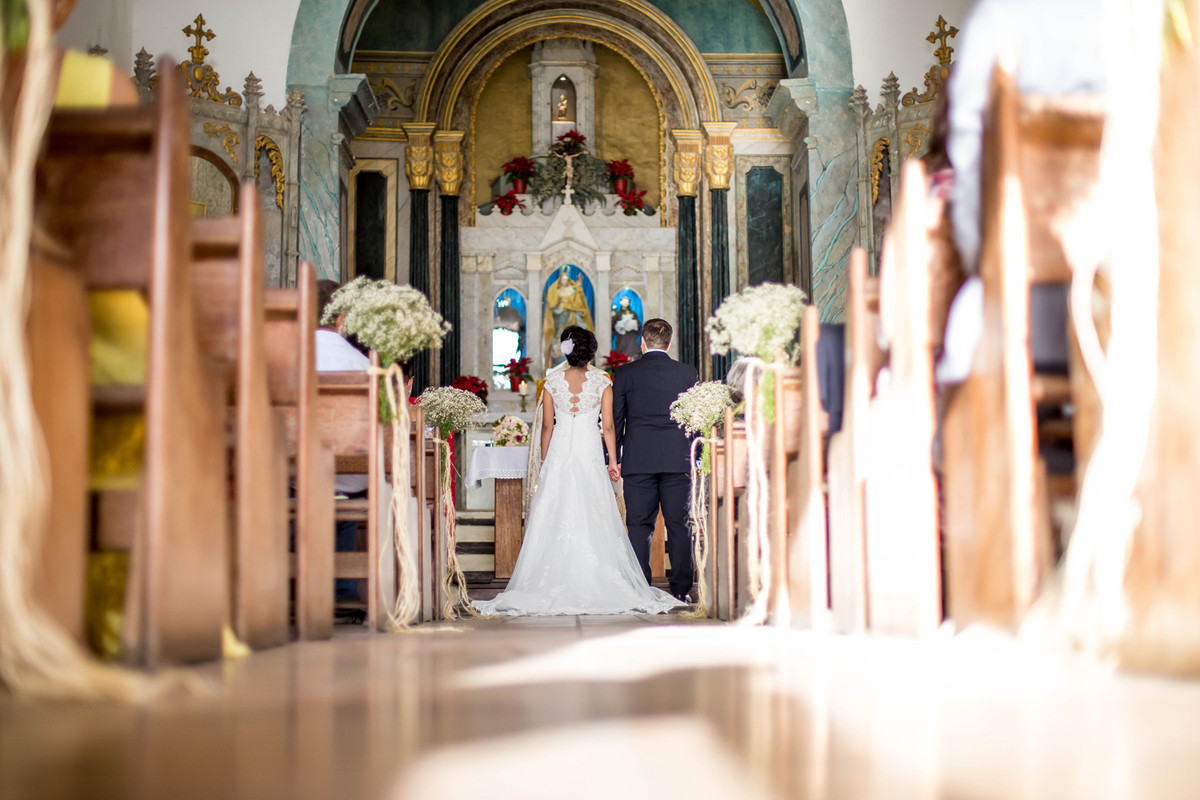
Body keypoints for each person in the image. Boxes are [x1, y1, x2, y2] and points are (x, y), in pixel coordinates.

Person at [475, 327, 680, 616]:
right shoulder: (602, 382)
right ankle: (599, 579)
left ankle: (548, 580)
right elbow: (608, 426)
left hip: (560, 452)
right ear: (591, 352)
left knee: (555, 511)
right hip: (588, 452)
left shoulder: (551, 382)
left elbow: (547, 426)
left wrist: (544, 461)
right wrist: (612, 461)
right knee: (592, 508)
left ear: (567, 351)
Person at [612, 319, 699, 603]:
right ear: (669, 343)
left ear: (642, 342)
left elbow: (616, 419)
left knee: (639, 525)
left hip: (638, 459)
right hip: (677, 458)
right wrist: (696, 457)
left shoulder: (625, 373)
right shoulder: (687, 372)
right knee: (679, 524)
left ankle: (640, 589)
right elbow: (694, 420)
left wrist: (614, 456)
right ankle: (683, 589)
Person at [314, 279, 370, 613]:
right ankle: (343, 588)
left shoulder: (280, 356)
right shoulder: (362, 363)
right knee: (343, 488)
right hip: (349, 474)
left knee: (304, 483)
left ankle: (290, 580)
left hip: (288, 471)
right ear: (341, 317)